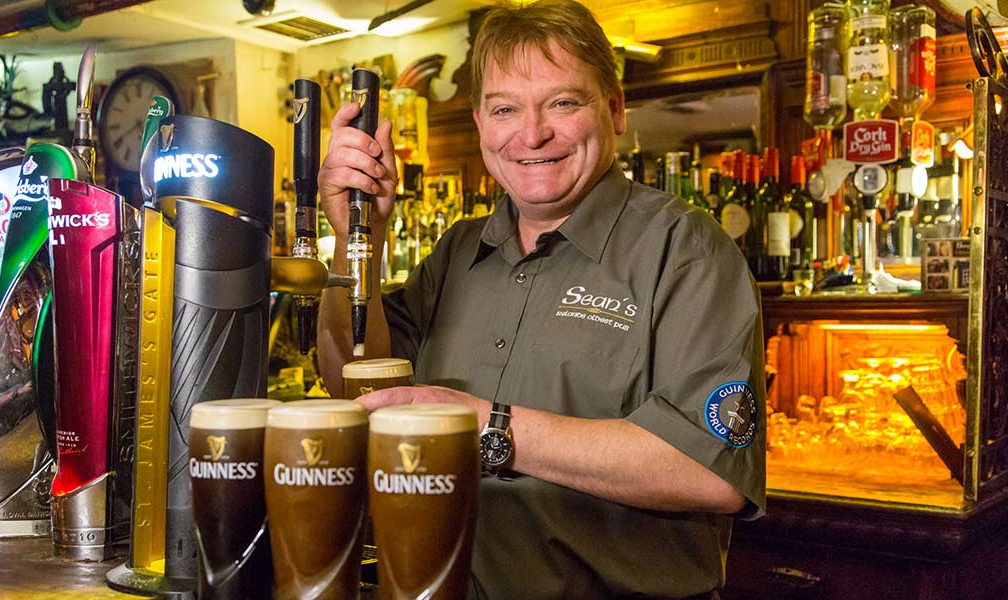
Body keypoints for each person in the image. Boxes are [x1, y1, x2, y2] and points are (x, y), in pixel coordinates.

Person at [316, 1, 766, 598]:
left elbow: (708, 473)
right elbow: (351, 378)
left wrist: (487, 427)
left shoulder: (684, 248)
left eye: (563, 102)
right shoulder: (460, 250)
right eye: (506, 108)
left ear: (614, 108)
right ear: (481, 124)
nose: (532, 134)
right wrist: (356, 239)